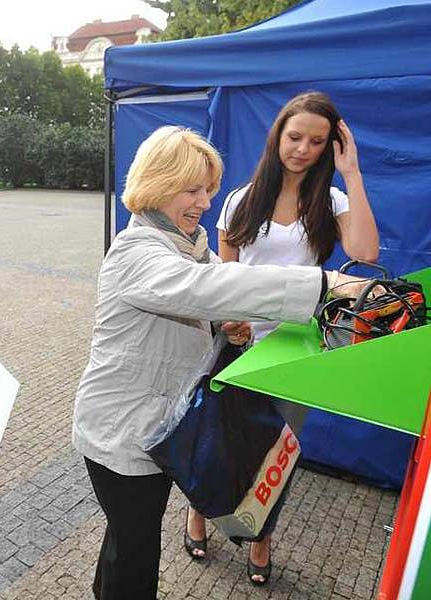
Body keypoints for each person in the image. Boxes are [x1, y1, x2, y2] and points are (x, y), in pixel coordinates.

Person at [72, 126, 373, 600]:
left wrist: (224, 325)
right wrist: (322, 285)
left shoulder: (186, 243)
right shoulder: (136, 251)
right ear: (158, 183)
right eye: (192, 190)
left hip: (151, 429)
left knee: (127, 538)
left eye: (209, 190)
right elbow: (209, 288)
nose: (205, 202)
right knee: (135, 548)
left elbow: (217, 291)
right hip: (121, 435)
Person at [180, 91, 381, 584]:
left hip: (296, 350)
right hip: (238, 345)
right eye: (295, 137)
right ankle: (198, 515)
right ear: (278, 136)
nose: (303, 149)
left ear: (328, 146)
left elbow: (366, 252)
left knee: (277, 450)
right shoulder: (240, 200)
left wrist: (351, 173)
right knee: (217, 440)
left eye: (317, 141)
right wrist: (231, 319)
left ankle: (261, 538)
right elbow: (224, 275)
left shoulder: (330, 200)